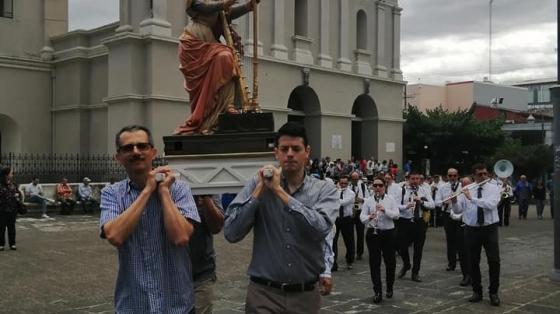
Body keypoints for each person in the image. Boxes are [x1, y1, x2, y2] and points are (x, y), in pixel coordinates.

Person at [224, 122, 339, 314]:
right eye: (284, 149)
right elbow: (231, 232)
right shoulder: (258, 183)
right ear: (276, 152)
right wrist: (259, 191)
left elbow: (320, 229)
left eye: (296, 149)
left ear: (307, 151)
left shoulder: (324, 189)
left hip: (305, 295)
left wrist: (279, 192)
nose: (290, 154)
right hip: (264, 294)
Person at [99, 125, 200, 313]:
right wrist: (147, 190)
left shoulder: (179, 189)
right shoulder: (111, 194)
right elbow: (115, 236)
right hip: (135, 305)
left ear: (153, 152)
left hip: (176, 305)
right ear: (118, 158)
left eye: (142, 146)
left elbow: (181, 237)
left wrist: (163, 192)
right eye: (128, 148)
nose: (136, 152)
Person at [174, 0, 260, 135]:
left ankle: (227, 106)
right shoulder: (199, 2)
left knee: (226, 59)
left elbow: (228, 14)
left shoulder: (220, 4)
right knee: (225, 57)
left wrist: (248, 6)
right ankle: (204, 117)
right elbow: (205, 7)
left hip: (209, 42)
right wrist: (225, 3)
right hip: (194, 42)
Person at [451, 163, 501, 306]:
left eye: (485, 173)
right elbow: (459, 209)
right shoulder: (467, 188)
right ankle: (477, 291)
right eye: (480, 174)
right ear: (474, 176)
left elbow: (491, 205)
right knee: (473, 261)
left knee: (494, 261)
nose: (484, 176)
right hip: (471, 229)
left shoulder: (494, 188)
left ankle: (493, 292)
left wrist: (471, 199)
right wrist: (454, 201)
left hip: (489, 228)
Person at [360, 177, 399, 304]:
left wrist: (384, 210)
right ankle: (377, 291)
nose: (377, 188)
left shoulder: (391, 199)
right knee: (374, 263)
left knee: (390, 262)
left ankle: (389, 287)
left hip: (388, 233)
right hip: (373, 233)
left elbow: (397, 215)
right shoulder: (368, 201)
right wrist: (369, 217)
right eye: (375, 185)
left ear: (384, 186)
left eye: (380, 185)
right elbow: (362, 217)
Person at [396, 171, 435, 282]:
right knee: (401, 246)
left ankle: (415, 272)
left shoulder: (424, 190)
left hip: (419, 221)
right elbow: (396, 205)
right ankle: (407, 264)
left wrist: (422, 202)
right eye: (413, 179)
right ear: (408, 179)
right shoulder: (402, 190)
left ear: (420, 179)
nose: (415, 181)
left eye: (417, 179)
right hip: (405, 221)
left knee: (418, 248)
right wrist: (406, 206)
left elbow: (432, 204)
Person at [190, 194, 224, 314]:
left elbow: (217, 227)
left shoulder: (208, 186)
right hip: (171, 274)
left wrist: (206, 199)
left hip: (201, 272)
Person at [435, 168, 463, 272]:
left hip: (460, 215)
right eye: (450, 176)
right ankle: (451, 263)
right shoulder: (442, 187)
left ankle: (463, 262)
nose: (452, 178)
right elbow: (436, 202)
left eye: (454, 175)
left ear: (457, 176)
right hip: (447, 215)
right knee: (450, 240)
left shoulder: (462, 186)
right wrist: (444, 202)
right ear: (447, 176)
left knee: (461, 240)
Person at [333, 175, 356, 271]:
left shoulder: (351, 193)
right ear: (339, 182)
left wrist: (335, 198)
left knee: (349, 241)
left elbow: (343, 202)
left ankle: (349, 260)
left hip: (347, 219)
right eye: (341, 183)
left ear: (348, 183)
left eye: (345, 183)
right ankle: (333, 263)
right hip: (336, 218)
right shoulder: (335, 191)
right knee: (333, 241)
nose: (343, 185)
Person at [350, 171, 370, 261]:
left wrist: (361, 199)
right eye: (353, 179)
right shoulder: (348, 186)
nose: (355, 180)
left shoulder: (362, 186)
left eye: (356, 179)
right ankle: (351, 252)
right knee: (350, 234)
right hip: (351, 211)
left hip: (360, 211)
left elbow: (368, 198)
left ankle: (359, 253)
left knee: (360, 233)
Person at [0, 166, 21, 251]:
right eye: (11, 173)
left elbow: (18, 193)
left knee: (11, 227)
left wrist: (18, 195)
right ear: (6, 174)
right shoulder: (0, 184)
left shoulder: (13, 184)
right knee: (1, 227)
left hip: (12, 209)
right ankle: (1, 244)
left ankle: (12, 244)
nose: (12, 174)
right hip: (2, 209)